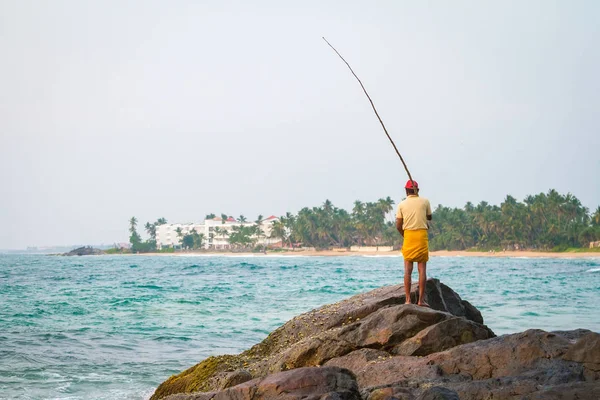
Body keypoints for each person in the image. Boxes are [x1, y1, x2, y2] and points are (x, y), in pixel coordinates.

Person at [396, 180, 432, 306]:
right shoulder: (425, 201)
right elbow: (429, 217)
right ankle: (420, 301)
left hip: (409, 235)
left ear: (406, 190)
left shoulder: (401, 204)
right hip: (421, 235)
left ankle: (407, 300)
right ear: (418, 190)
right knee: (422, 269)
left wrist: (404, 235)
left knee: (407, 270)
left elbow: (398, 225)